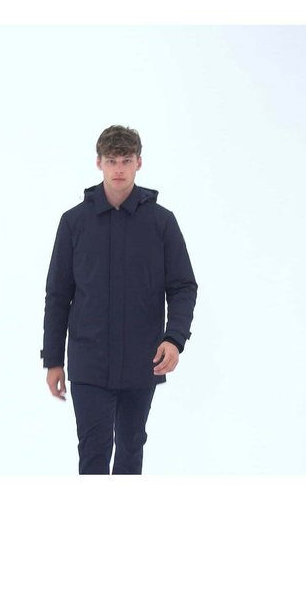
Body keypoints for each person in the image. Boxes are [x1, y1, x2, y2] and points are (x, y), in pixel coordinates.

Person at [42, 125, 198, 475]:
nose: (119, 169)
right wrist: (53, 360)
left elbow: (183, 286)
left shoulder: (161, 223)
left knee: (130, 449)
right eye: (111, 160)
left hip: (143, 359)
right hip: (89, 360)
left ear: (139, 162)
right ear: (98, 163)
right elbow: (58, 295)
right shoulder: (74, 223)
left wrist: (174, 339)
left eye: (126, 160)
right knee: (93, 452)